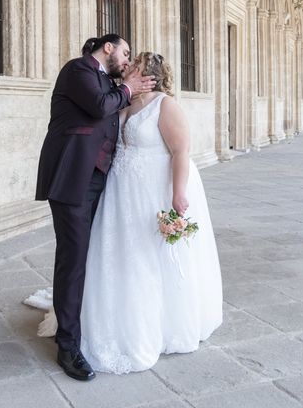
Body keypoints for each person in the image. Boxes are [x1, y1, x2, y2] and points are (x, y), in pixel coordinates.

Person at [79, 52, 222, 374]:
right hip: (121, 190)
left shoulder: (164, 105)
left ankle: (160, 324)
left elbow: (181, 150)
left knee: (151, 255)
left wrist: (178, 193)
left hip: (154, 188)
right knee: (120, 253)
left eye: (135, 65)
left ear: (150, 75)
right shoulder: (125, 103)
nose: (127, 67)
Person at [35, 34, 156, 381]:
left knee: (94, 257)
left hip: (100, 179)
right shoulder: (78, 70)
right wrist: (130, 87)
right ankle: (68, 346)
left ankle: (89, 324)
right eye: (125, 52)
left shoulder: (106, 80)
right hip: (73, 179)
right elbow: (101, 107)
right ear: (108, 48)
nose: (127, 61)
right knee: (73, 261)